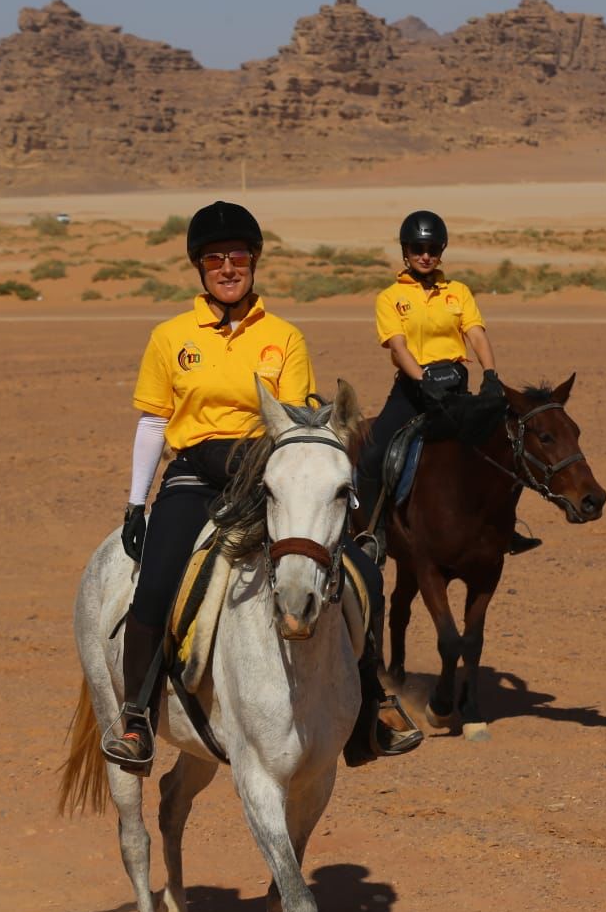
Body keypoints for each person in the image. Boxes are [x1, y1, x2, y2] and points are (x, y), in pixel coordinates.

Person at [103, 200, 423, 775]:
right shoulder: (170, 337)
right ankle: (136, 719)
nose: (228, 268)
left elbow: (297, 421)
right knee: (155, 583)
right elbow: (153, 423)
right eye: (214, 259)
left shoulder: (284, 337)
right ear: (199, 267)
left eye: (238, 257)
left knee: (361, 573)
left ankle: (371, 707)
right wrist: (134, 503)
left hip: (266, 474)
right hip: (194, 476)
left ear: (254, 262)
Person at [354, 209, 540, 556]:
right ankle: (371, 534)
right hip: (413, 390)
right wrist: (422, 380)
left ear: (441, 251)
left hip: (454, 389)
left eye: (433, 249)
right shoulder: (390, 298)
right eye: (417, 249)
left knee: (503, 445)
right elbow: (398, 346)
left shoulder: (458, 292)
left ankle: (505, 527)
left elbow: (476, 334)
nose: (425, 256)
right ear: (405, 251)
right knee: (373, 454)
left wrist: (490, 374)